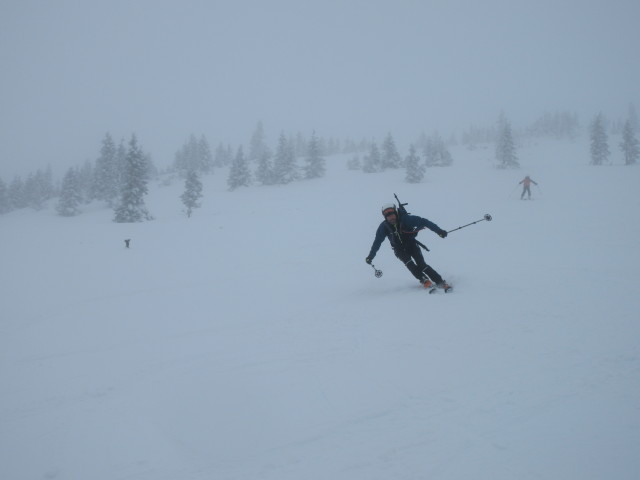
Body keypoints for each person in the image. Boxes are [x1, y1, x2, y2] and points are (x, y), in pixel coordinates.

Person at [366, 203, 451, 291]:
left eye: (392, 215)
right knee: (409, 264)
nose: (391, 218)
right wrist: (370, 256)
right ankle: (424, 280)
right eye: (388, 216)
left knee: (422, 265)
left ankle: (440, 282)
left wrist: (439, 231)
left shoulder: (406, 219)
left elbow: (424, 221)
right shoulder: (384, 227)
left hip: (411, 244)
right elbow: (377, 242)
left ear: (396, 213)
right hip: (399, 249)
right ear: (385, 217)